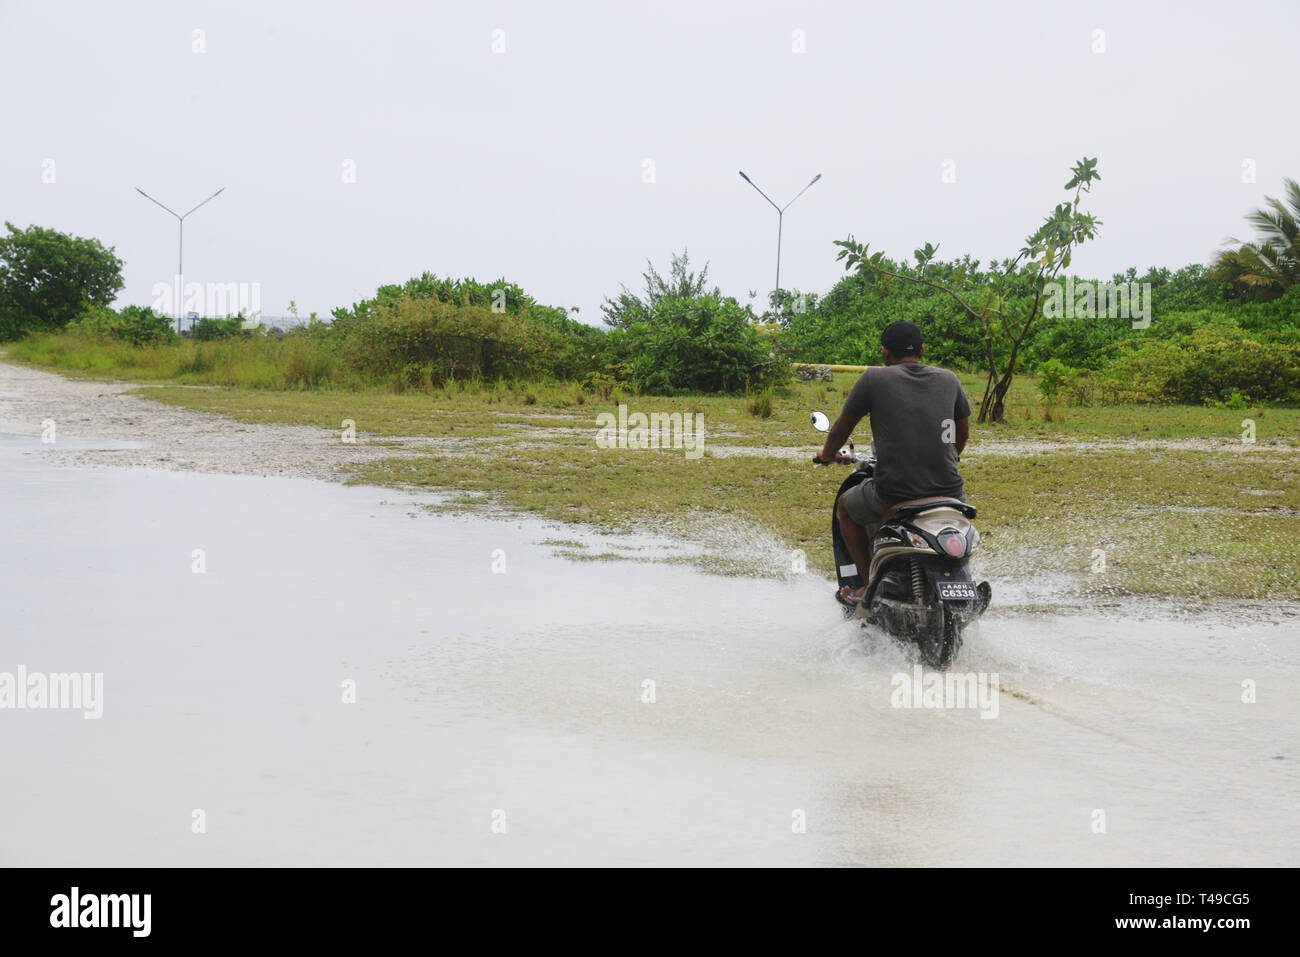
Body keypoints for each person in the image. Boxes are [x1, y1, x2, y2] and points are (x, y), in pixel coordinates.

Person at [814, 320, 971, 606]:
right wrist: (949, 457)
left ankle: (867, 584)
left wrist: (827, 454)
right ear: (922, 350)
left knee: (846, 509)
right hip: (952, 492)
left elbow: (840, 428)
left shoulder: (874, 378)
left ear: (885, 353)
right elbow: (962, 434)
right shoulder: (949, 379)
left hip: (896, 492)